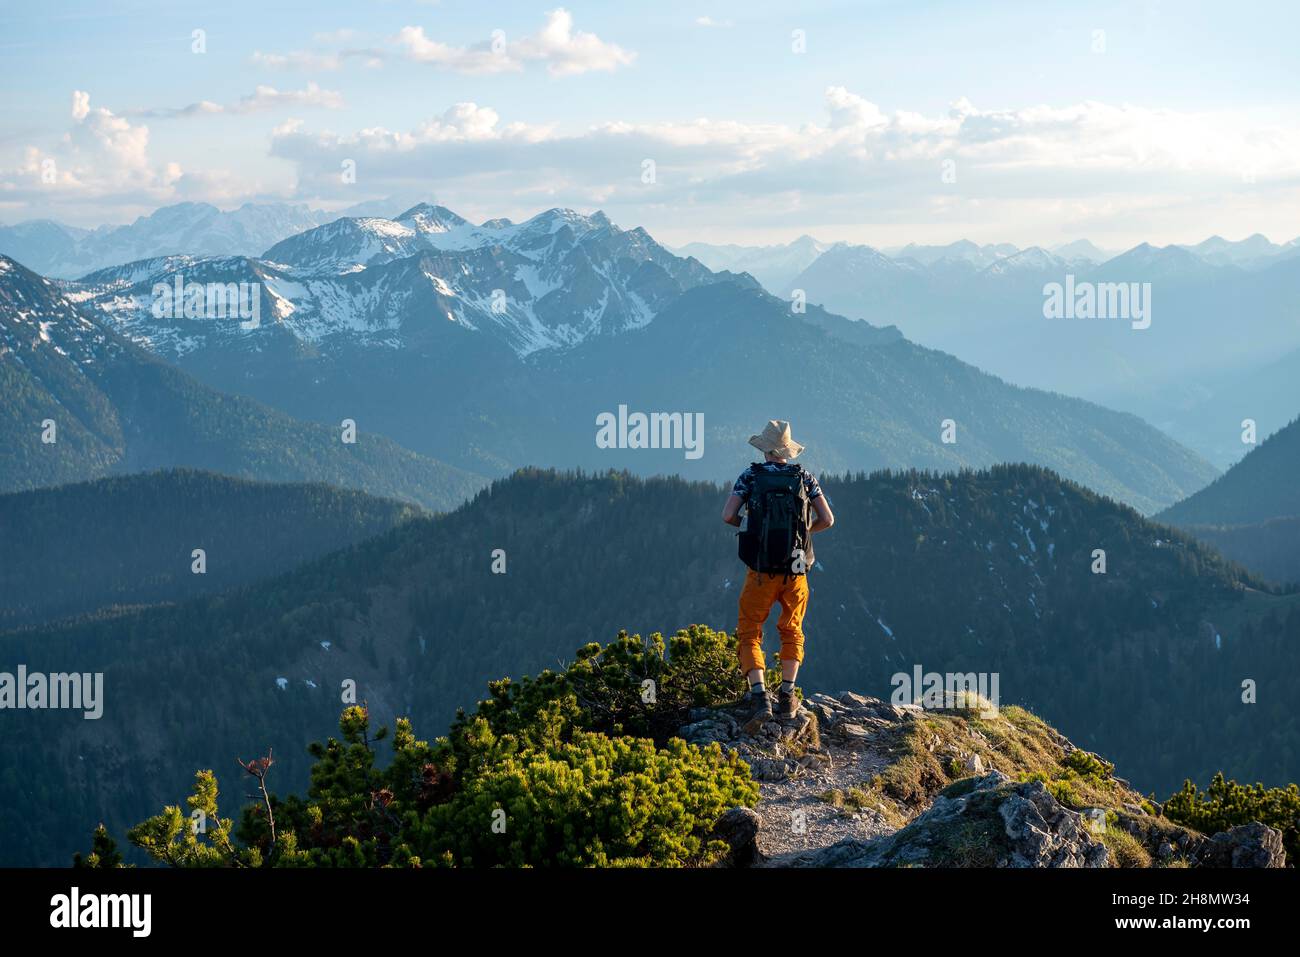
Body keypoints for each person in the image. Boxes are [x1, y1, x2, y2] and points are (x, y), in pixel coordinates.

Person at [721, 420, 834, 731]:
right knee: (792, 629)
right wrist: (804, 532)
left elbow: (728, 515)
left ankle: (760, 699)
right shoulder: (805, 478)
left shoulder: (750, 477)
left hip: (760, 569)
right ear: (788, 450)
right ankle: (787, 696)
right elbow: (828, 518)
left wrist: (752, 529)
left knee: (749, 630)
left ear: (766, 448)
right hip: (796, 568)